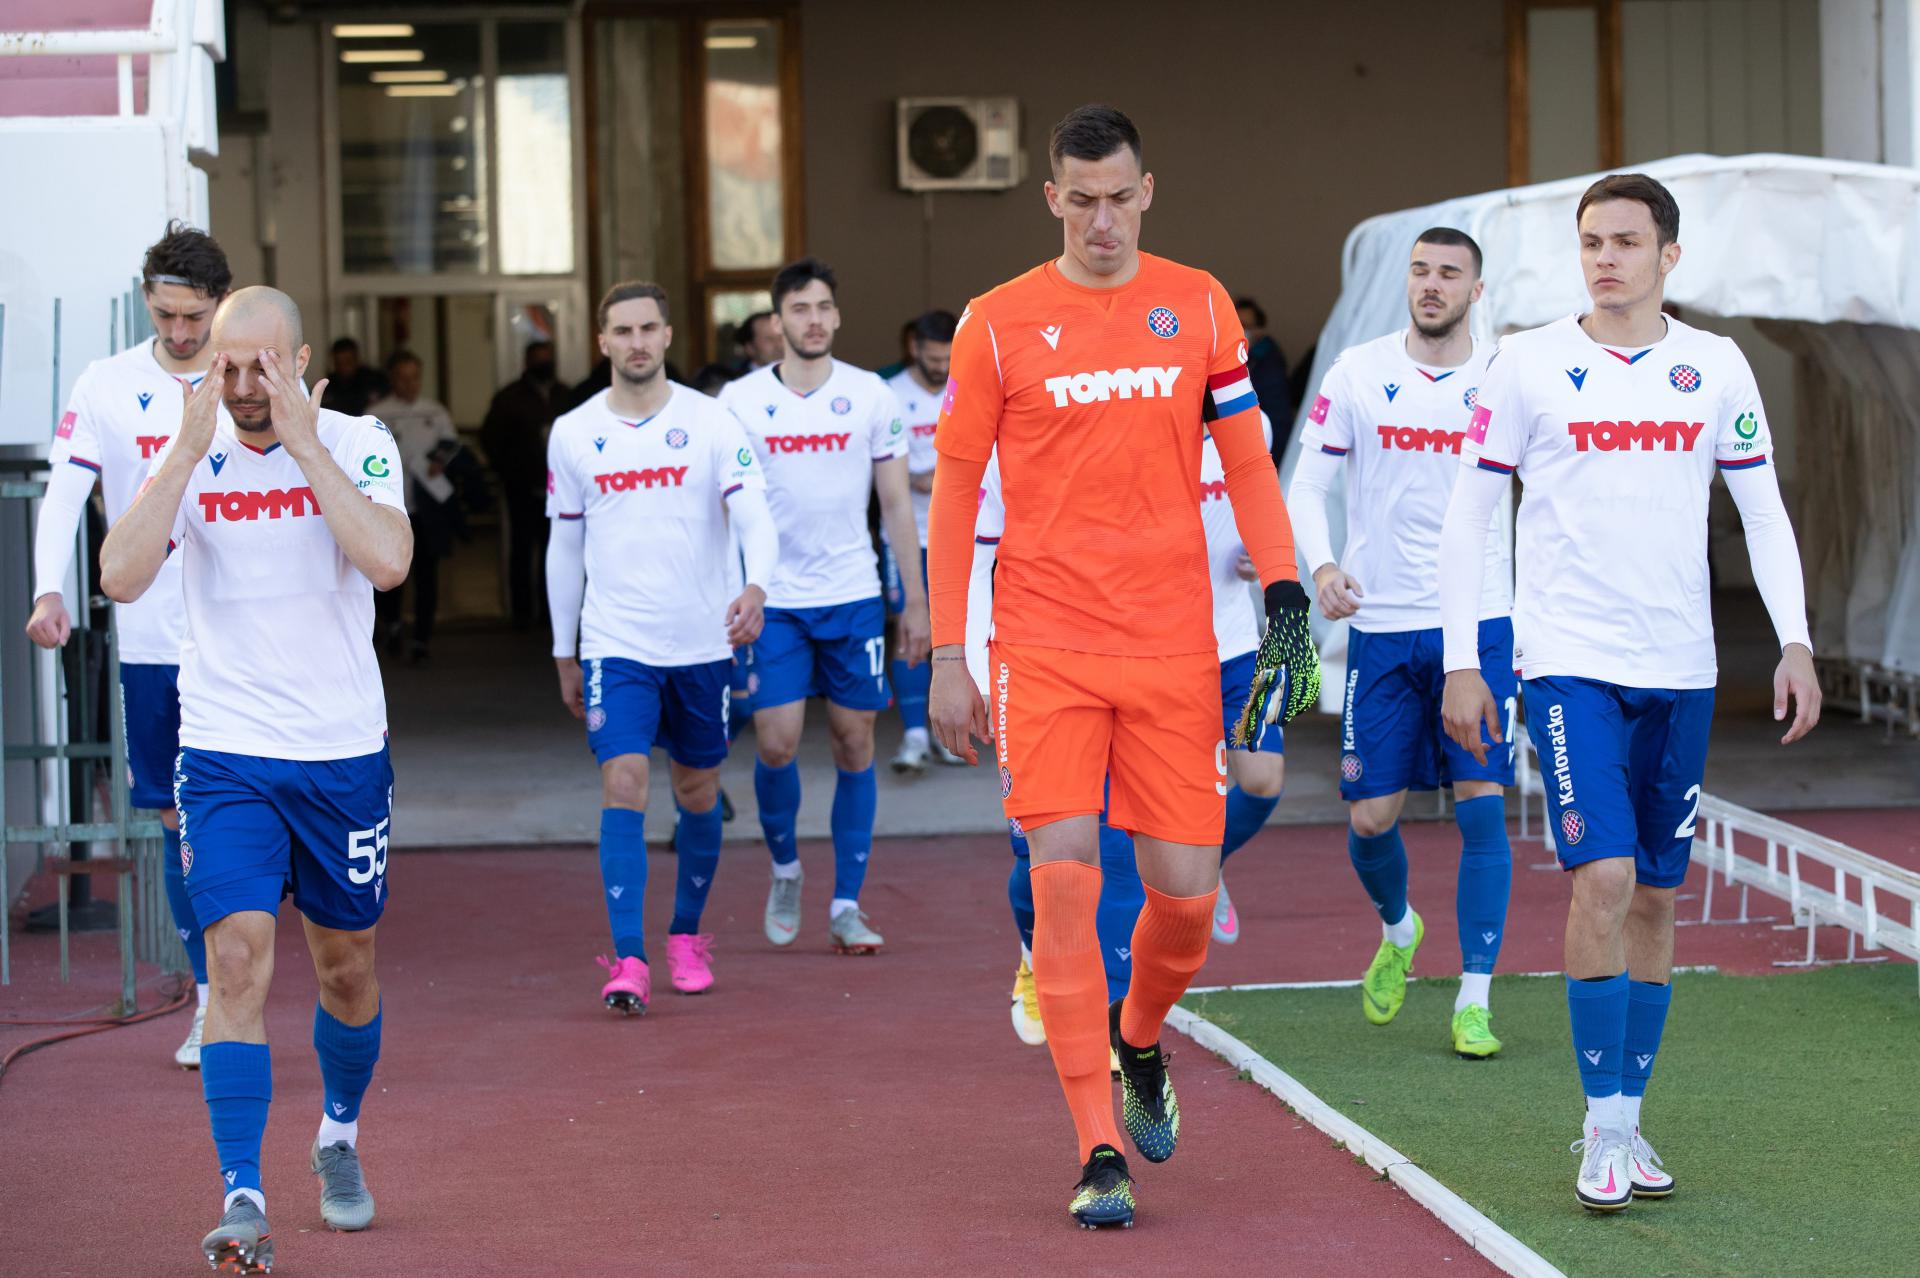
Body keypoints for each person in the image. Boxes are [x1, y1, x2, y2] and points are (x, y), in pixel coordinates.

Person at [925, 104, 1317, 1229]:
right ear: (1052, 198)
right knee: (1062, 879)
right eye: (1080, 199)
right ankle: (1097, 1146)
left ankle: (1140, 1036)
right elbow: (954, 493)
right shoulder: (996, 324)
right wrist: (952, 651)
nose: (1101, 220)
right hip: (1041, 646)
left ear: (1149, 191)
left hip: (1173, 644)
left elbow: (1247, 455)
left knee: (1184, 905)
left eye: (1120, 197)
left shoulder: (1195, 302)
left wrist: (1283, 598)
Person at [1438, 173, 1819, 1212]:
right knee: (1601, 879)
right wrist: (1462, 658)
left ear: (1669, 258)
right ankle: (1600, 1130)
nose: (1604, 258)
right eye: (1591, 241)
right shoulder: (1527, 363)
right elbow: (1470, 515)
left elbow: (1766, 515)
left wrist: (1795, 641)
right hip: (1569, 666)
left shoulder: (1717, 366)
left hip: (1682, 670)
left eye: (1624, 242)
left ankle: (1633, 1121)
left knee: (1657, 894)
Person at [99, 286, 412, 1272]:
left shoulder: (358, 441)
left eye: (259, 367)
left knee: (345, 969)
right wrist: (186, 453)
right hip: (227, 751)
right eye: (223, 367)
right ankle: (241, 1192)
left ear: (300, 360)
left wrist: (307, 441)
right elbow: (121, 575)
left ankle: (340, 1139)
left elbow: (390, 560)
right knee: (234, 964)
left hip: (341, 755)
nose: (239, 387)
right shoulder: (189, 453)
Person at [1286, 228, 1516, 1058]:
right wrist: (1321, 566)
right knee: (1372, 818)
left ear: (1476, 292)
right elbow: (1307, 484)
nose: (1431, 285)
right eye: (1421, 270)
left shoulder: (1504, 376)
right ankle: (1399, 927)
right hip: (1381, 626)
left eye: (1450, 273)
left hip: (1481, 622)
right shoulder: (1358, 371)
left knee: (1482, 804)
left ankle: (1475, 999)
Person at [26, 222, 232, 1069]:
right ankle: (215, 1001)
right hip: (153, 647)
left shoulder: (246, 376)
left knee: (250, 817)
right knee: (180, 822)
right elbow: (64, 494)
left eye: (195, 317)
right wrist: (49, 589)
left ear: (220, 303)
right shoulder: (107, 382)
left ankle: (244, 977)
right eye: (166, 314)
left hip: (247, 644)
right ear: (149, 298)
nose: (181, 333)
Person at [546, 283, 778, 1012]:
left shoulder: (713, 421)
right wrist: (564, 649)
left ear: (668, 335)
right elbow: (564, 544)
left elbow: (754, 516)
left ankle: (685, 934)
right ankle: (629, 960)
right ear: (603, 340)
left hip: (702, 643)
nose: (637, 341)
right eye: (623, 330)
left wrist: (757, 587)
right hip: (616, 644)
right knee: (623, 783)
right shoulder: (574, 431)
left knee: (696, 791)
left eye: (649, 327)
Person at [716, 258, 929, 956]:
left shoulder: (871, 396)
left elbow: (897, 502)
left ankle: (846, 903)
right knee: (775, 741)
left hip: (854, 598)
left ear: (837, 317)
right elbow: (719, 509)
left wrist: (915, 603)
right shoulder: (739, 402)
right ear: (776, 323)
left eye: (823, 308)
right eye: (798, 309)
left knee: (854, 741)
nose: (813, 320)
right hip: (773, 599)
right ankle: (785, 871)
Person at [883, 309, 964, 773]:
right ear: (914, 349)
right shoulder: (890, 395)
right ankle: (914, 733)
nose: (941, 366)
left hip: (961, 534)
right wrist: (915, 479)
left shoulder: (967, 386)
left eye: (948, 358)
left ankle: (949, 733)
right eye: (934, 358)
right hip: (907, 534)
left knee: (959, 632)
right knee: (909, 626)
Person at [368, 352, 458, 662]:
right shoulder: (377, 413)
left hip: (426, 506)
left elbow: (451, 443)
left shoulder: (434, 411)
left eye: (415, 376)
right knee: (389, 572)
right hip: (390, 506)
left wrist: (439, 460)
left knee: (426, 574)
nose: (410, 384)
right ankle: (392, 623)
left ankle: (422, 637)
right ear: (392, 379)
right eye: (403, 377)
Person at [481, 340, 561, 630]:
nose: (544, 365)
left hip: (560, 491)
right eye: (538, 360)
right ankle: (521, 614)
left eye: (547, 359)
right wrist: (509, 472)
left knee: (555, 551)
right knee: (522, 550)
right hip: (522, 488)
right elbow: (490, 440)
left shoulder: (565, 395)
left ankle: (551, 615)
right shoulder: (509, 398)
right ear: (527, 362)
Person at [1234, 297, 1294, 451]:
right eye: (1235, 324)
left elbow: (1278, 419)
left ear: (1259, 330)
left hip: (1262, 447)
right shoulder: (1231, 358)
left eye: (1245, 325)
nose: (1239, 330)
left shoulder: (1269, 363)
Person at [319, 337, 387, 417]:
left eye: (348, 362)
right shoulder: (327, 386)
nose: (344, 367)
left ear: (357, 359)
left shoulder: (375, 381)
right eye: (339, 363)